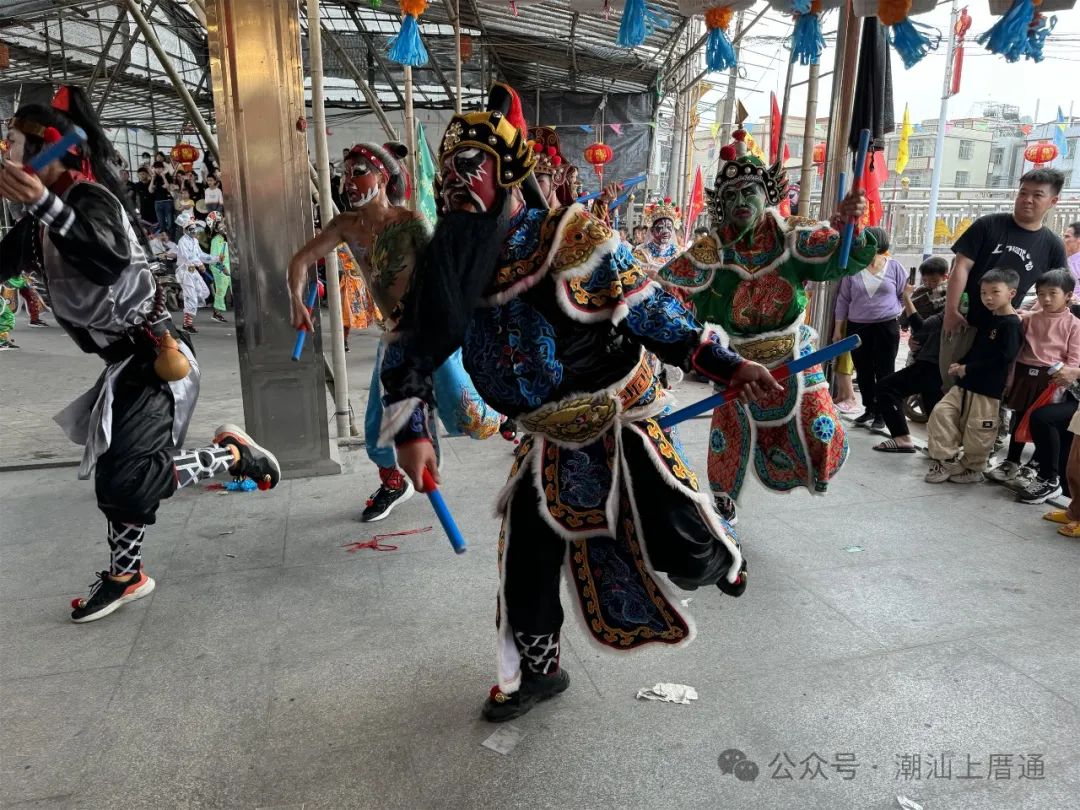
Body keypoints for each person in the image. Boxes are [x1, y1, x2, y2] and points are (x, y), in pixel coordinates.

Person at [377, 84, 782, 723]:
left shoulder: (571, 238)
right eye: (447, 174)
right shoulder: (449, 262)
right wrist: (411, 429)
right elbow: (410, 349)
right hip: (545, 438)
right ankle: (538, 674)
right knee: (526, 560)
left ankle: (721, 544)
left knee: (681, 549)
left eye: (469, 168)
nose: (455, 184)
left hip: (618, 422)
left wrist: (728, 364)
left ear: (506, 174)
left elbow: (652, 311)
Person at [0, 85, 280, 623]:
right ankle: (126, 575)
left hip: (157, 355)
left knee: (125, 479)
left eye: (12, 143)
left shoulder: (91, 202)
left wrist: (42, 203)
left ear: (48, 150)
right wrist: (38, 207)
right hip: (125, 364)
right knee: (118, 475)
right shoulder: (39, 222)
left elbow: (105, 261)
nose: (6, 154)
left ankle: (230, 456)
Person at [658, 126, 873, 524]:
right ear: (721, 205)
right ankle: (723, 499)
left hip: (793, 350)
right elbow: (667, 289)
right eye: (731, 195)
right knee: (728, 435)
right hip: (738, 358)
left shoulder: (792, 235)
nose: (741, 201)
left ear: (768, 194)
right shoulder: (711, 250)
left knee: (819, 425)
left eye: (750, 191)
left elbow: (837, 253)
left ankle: (815, 472)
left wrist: (848, 227)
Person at [288, 141, 504, 522]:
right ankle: (394, 483)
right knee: (377, 429)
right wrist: (296, 301)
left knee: (472, 417)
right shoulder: (345, 226)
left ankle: (507, 412)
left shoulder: (410, 224)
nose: (348, 181)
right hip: (394, 340)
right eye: (345, 173)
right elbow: (301, 260)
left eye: (359, 172)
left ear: (383, 178)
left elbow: (443, 277)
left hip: (431, 333)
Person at [941, 169, 1068, 391]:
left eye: (1037, 195)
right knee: (952, 382)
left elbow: (1057, 290)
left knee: (989, 391)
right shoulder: (988, 225)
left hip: (1005, 330)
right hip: (965, 321)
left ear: (1053, 201)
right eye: (1023, 193)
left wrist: (1032, 314)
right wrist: (951, 311)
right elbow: (960, 266)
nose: (1027, 199)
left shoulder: (1052, 245)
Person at [925, 268, 1024, 484]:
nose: (988, 297)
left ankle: (974, 468)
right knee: (941, 413)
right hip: (965, 383)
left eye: (995, 292)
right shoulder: (989, 318)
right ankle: (946, 461)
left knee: (978, 429)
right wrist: (961, 364)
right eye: (983, 293)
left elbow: (1004, 358)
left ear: (1012, 293)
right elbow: (977, 349)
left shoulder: (1012, 324)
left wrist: (968, 368)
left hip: (988, 389)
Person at [985, 268, 1080, 492]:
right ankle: (1011, 462)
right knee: (1019, 417)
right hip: (1024, 375)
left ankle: (1033, 467)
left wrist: (1064, 380)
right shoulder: (1028, 319)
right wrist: (1010, 380)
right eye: (1041, 294)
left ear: (1068, 295)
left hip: (1051, 380)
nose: (1045, 299)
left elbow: (1074, 360)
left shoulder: (1074, 325)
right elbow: (1017, 351)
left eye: (1052, 293)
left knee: (1040, 423)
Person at [833, 226, 906, 433]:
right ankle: (870, 409)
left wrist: (891, 311)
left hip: (886, 326)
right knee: (863, 369)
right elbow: (843, 300)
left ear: (879, 244)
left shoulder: (895, 267)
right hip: (858, 325)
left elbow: (903, 295)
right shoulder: (853, 269)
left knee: (885, 370)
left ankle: (883, 413)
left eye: (869, 242)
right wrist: (838, 328)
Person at [872, 280, 946, 453]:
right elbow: (917, 326)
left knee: (886, 387)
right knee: (933, 403)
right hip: (931, 359)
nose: (930, 284)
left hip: (936, 363)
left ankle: (903, 438)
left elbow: (921, 326)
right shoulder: (932, 296)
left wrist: (906, 296)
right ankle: (939, 447)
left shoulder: (953, 300)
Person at [175, 211, 213, 332]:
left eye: (194, 228)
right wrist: (200, 264)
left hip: (192, 271)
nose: (194, 230)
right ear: (185, 229)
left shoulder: (195, 241)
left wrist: (216, 258)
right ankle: (187, 324)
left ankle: (185, 295)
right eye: (191, 228)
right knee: (192, 298)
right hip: (185, 272)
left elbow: (201, 255)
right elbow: (189, 257)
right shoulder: (182, 241)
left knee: (204, 292)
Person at [632, 198, 682, 281]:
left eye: (669, 227)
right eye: (661, 227)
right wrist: (647, 273)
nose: (666, 231)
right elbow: (633, 276)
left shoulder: (679, 253)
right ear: (652, 231)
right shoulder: (641, 252)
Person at [205, 211, 231, 323]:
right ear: (215, 228)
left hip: (228, 265)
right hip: (219, 268)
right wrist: (223, 268)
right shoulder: (216, 240)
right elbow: (214, 260)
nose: (223, 225)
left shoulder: (225, 237)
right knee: (221, 290)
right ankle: (217, 313)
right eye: (220, 223)